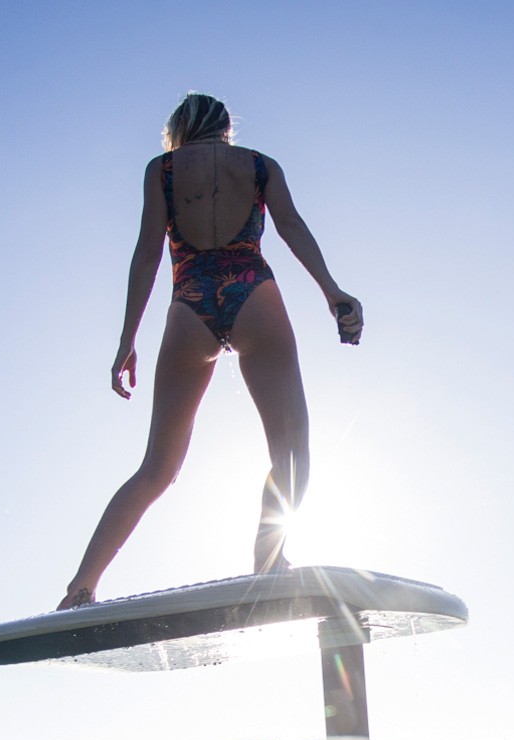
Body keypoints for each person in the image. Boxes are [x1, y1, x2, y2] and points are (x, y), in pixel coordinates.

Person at [58, 93, 362, 610]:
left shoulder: (162, 170)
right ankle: (268, 561)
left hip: (189, 308)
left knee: (157, 469)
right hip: (254, 297)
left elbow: (147, 252)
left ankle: (79, 589)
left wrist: (127, 340)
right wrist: (332, 292)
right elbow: (291, 226)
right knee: (291, 452)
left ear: (180, 128)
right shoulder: (260, 165)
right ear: (226, 127)